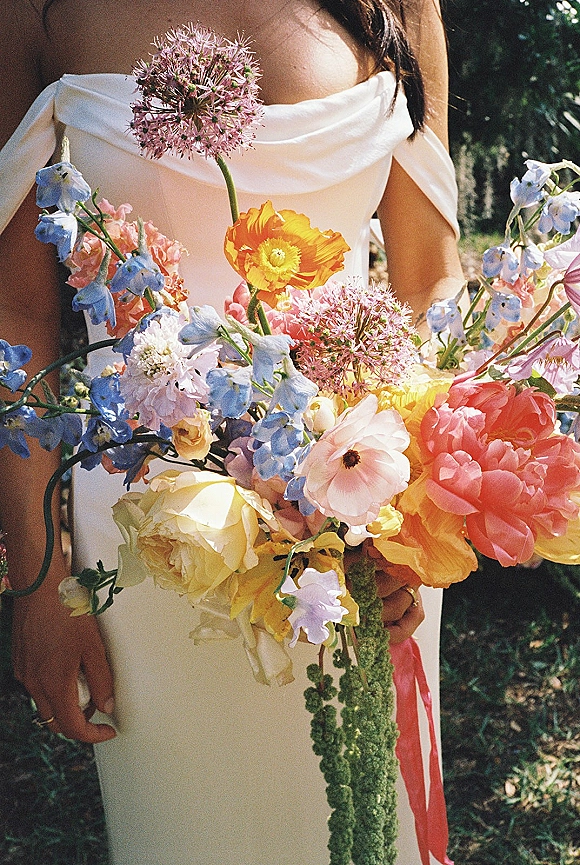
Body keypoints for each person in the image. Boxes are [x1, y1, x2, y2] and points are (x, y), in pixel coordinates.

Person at [0, 1, 464, 863]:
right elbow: (18, 312)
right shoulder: (36, 11)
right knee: (188, 828)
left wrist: (403, 518)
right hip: (149, 532)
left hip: (365, 504)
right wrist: (34, 580)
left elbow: (428, 280)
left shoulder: (400, 6)